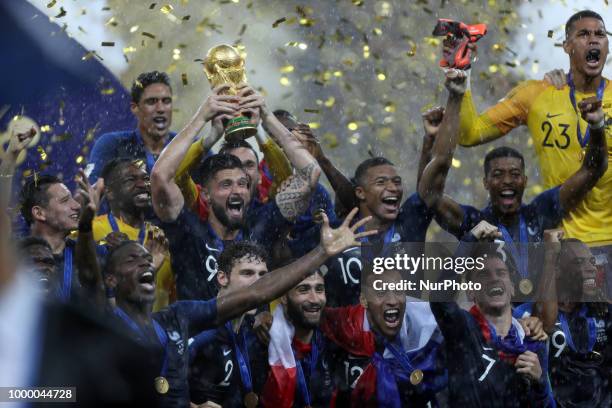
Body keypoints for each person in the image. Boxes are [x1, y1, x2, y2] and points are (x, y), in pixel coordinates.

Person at [99, 208, 376, 406]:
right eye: (131, 260)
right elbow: (61, 392)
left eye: (146, 259)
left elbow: (256, 294)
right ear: (110, 279)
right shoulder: (101, 330)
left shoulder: (180, 317)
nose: (144, 264)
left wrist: (322, 253)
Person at [456, 10, 612, 293]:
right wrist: (462, 79)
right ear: (566, 46)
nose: (594, 40)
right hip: (559, 246)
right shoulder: (537, 94)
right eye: (583, 34)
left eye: (600, 34)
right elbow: (470, 133)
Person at [419, 66, 607, 295]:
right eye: (498, 175)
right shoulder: (475, 223)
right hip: (494, 324)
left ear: (525, 181)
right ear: (485, 183)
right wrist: (455, 99)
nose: (507, 181)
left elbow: (592, 169)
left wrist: (597, 127)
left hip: (541, 324)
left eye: (515, 175)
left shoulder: (540, 213)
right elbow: (429, 194)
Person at [151, 84, 322, 300]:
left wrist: (266, 117)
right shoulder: (189, 232)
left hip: (249, 334)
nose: (237, 190)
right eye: (226, 185)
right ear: (205, 195)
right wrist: (204, 122)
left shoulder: (261, 229)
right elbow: (160, 176)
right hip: (200, 331)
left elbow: (310, 173)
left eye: (243, 183)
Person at [430, 225, 552, 407]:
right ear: (471, 292)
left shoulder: (532, 341)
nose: (494, 279)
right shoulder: (462, 329)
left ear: (512, 288)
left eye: (501, 273)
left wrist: (540, 384)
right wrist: (468, 241)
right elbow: (440, 298)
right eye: (484, 274)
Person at [516, 230, 611, 407]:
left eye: (592, 261)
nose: (591, 267)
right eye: (579, 262)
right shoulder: (526, 315)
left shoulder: (602, 310)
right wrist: (551, 253)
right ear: (557, 270)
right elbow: (544, 321)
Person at [188, 241, 271, 407]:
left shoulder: (255, 333)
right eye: (248, 273)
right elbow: (155, 381)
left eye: (262, 275)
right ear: (222, 278)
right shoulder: (199, 330)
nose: (258, 282)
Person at [92, 158, 175, 310]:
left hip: (159, 329)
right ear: (109, 192)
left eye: (145, 179)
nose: (143, 185)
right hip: (117, 330)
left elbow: (169, 294)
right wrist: (101, 250)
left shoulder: (159, 236)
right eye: (131, 180)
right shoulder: (92, 230)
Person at [261, 270, 336, 408]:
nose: (314, 299)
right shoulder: (264, 343)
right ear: (284, 297)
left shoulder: (333, 342)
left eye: (319, 289)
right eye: (303, 289)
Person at [87, 71, 175, 183]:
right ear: (135, 108)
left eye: (166, 101)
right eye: (152, 102)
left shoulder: (188, 146)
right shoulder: (113, 145)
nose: (161, 109)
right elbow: (89, 192)